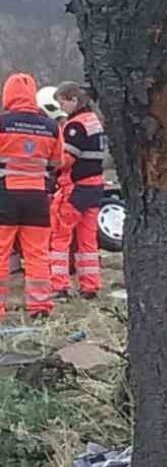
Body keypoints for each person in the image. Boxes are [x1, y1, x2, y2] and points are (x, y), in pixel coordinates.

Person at [0, 72, 63, 319]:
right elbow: (58, 162)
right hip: (38, 196)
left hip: (6, 194)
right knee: (37, 254)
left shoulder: (2, 123)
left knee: (1, 253)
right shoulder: (51, 126)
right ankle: (40, 308)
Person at [49, 81, 105, 300]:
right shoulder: (94, 121)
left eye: (62, 102)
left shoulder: (75, 126)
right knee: (87, 240)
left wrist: (48, 163)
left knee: (60, 236)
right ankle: (90, 286)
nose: (61, 108)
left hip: (76, 187)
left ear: (72, 99)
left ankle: (59, 287)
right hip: (95, 187)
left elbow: (65, 160)